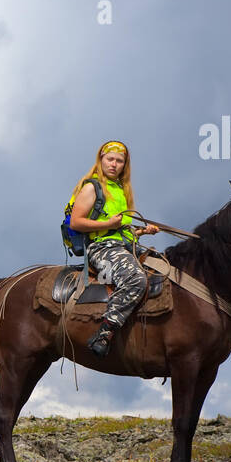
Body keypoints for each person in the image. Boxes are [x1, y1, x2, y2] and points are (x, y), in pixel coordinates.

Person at [65, 140, 159, 357]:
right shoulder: (92, 187)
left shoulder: (121, 192)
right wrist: (109, 224)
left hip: (123, 245)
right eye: (110, 159)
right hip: (101, 248)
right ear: (101, 160)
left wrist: (143, 232)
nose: (114, 164)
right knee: (136, 279)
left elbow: (119, 230)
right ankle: (105, 332)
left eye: (119, 161)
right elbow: (76, 222)